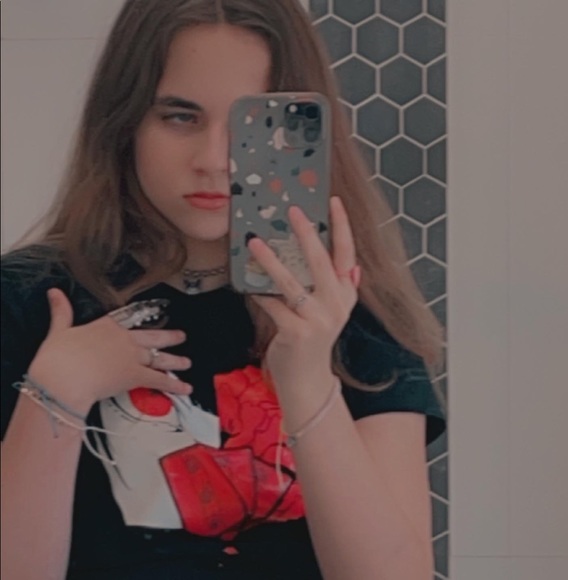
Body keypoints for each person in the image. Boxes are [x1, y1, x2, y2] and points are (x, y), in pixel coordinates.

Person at [0, 1, 447, 579]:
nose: (214, 160)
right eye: (180, 117)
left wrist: (307, 379)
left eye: (250, 126)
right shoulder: (28, 299)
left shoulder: (347, 309)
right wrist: (57, 392)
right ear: (124, 122)